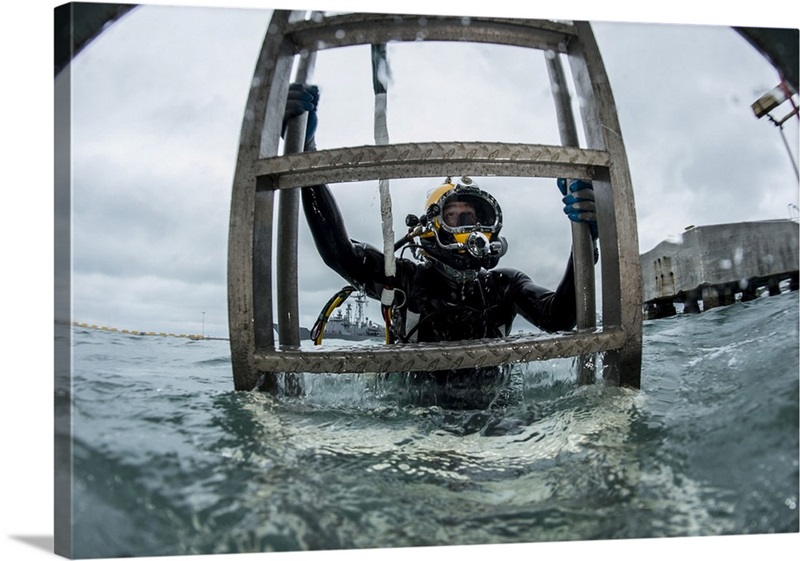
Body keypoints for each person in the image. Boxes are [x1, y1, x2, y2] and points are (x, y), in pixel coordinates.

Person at [285, 83, 598, 408]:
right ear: (432, 227)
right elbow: (339, 253)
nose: (465, 227)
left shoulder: (501, 286)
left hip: (492, 418)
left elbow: (559, 318)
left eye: (472, 218)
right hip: (418, 421)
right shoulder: (404, 278)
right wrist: (307, 155)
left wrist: (585, 237)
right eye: (453, 217)